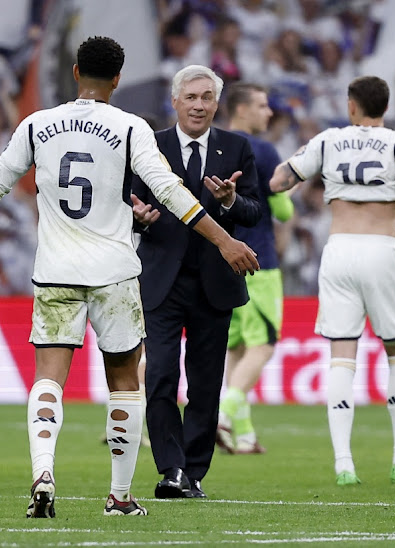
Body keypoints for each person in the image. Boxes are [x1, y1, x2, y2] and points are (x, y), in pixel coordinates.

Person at [0, 37, 259, 518]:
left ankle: (44, 474)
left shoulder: (38, 124)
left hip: (55, 271)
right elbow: (171, 194)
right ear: (117, 78)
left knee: (49, 379)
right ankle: (118, 495)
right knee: (124, 383)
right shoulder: (132, 128)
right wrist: (224, 240)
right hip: (113, 273)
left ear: (75, 72)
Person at [269, 75, 395, 485]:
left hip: (338, 251)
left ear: (351, 105)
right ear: (384, 107)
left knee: (341, 354)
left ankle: (343, 463)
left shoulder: (328, 139)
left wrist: (300, 160)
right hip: (381, 249)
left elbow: (279, 181)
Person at [131, 64, 262, 499]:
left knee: (205, 385)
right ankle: (171, 469)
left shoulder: (237, 147)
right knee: (161, 377)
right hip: (161, 284)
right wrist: (140, 219)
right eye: (191, 97)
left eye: (207, 97)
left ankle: (195, 472)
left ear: (217, 103)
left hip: (214, 284)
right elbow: (127, 203)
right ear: (175, 101)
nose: (199, 105)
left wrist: (229, 201)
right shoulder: (150, 146)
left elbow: (254, 212)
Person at [216, 83, 294, 455]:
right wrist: (285, 194)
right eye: (263, 105)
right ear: (241, 109)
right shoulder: (262, 150)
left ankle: (243, 435)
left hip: (218, 263)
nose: (269, 113)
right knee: (262, 346)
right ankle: (223, 415)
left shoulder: (210, 145)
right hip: (258, 262)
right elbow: (283, 212)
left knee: (235, 348)